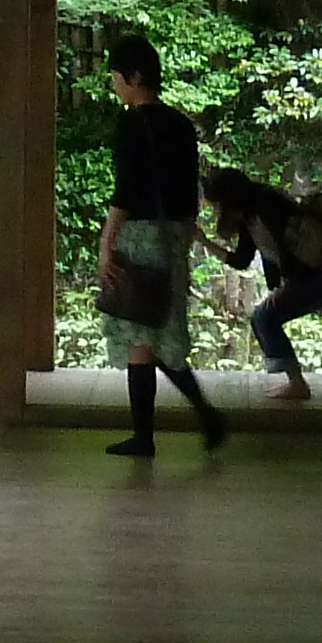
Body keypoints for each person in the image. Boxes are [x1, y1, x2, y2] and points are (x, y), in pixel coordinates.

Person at [94, 30, 225, 456]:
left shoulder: (131, 124)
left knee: (139, 333)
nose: (114, 84)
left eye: (116, 76)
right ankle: (201, 416)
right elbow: (189, 189)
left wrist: (107, 243)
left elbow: (126, 191)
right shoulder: (181, 125)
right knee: (159, 334)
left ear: (134, 77)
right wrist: (188, 234)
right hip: (174, 235)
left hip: (140, 235)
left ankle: (149, 434)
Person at [203, 165, 322, 403]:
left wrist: (290, 280)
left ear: (229, 200)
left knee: (265, 317)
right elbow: (241, 261)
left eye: (217, 205)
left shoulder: (266, 205)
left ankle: (297, 385)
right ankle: (296, 383)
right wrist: (204, 242)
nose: (216, 211)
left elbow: (291, 245)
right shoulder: (251, 216)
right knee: (264, 317)